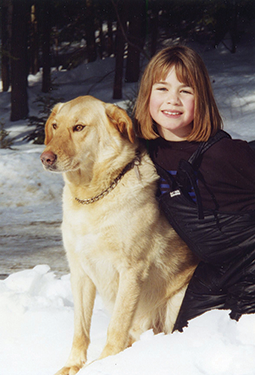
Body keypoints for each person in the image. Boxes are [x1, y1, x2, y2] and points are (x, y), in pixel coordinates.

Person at [134, 45, 255, 331]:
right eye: (162, 88)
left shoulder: (223, 153)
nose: (172, 100)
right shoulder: (142, 150)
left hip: (252, 262)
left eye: (186, 91)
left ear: (201, 98)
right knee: (185, 340)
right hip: (216, 269)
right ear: (147, 94)